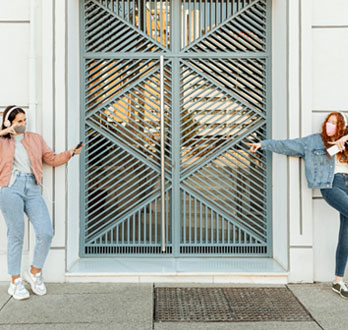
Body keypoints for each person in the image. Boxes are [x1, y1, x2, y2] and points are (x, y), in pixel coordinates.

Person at [247, 111, 348, 299]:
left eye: (334, 123)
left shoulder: (345, 142)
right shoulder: (314, 142)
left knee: (345, 236)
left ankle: (338, 281)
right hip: (331, 185)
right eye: (328, 122)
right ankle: (338, 281)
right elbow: (287, 145)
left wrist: (345, 139)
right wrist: (263, 145)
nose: (330, 125)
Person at [0, 105, 83, 300]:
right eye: (19, 121)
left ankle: (34, 272)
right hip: (10, 187)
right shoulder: (2, 140)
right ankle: (15, 281)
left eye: (24, 120)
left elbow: (51, 159)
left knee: (46, 232)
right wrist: (3, 132)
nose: (23, 124)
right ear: (8, 121)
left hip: (32, 187)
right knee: (16, 235)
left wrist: (70, 153)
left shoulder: (35, 139)